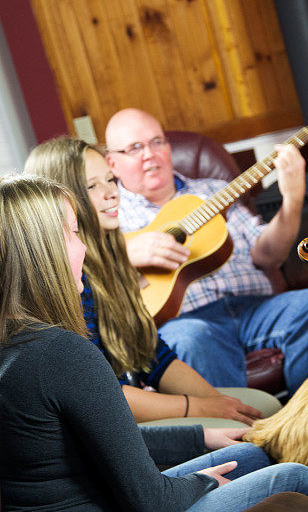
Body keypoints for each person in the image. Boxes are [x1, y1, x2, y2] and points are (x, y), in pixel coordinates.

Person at [0, 174, 308, 510]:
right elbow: (151, 499)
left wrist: (200, 436)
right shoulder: (61, 353)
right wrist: (203, 482)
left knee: (251, 456)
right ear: (43, 252)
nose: (83, 248)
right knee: (296, 478)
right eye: (75, 233)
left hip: (94, 493)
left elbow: (103, 444)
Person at [25, 137, 278, 426]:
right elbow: (103, 396)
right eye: (91, 186)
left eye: (110, 180)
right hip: (113, 425)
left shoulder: (113, 257)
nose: (111, 194)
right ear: (58, 200)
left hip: (135, 405)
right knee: (239, 429)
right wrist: (201, 409)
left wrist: (221, 404)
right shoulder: (69, 279)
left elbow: (154, 357)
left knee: (263, 408)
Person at [105, 108, 308, 393]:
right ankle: (241, 435)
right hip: (183, 322)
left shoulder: (216, 190)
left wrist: (292, 200)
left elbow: (270, 255)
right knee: (189, 339)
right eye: (135, 148)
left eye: (157, 142)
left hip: (255, 309)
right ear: (112, 163)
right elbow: (86, 280)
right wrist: (125, 255)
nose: (149, 154)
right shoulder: (110, 217)